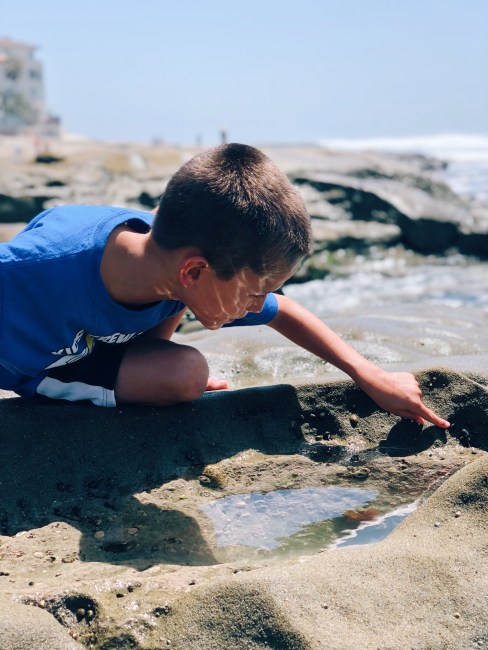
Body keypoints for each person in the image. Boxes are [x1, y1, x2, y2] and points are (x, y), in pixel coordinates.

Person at [0, 143, 449, 428]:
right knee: (185, 374)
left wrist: (369, 375)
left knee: (185, 376)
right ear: (193, 273)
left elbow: (285, 312)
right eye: (254, 292)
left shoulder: (175, 252)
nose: (260, 303)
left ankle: (145, 356)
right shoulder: (34, 269)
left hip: (102, 341)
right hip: (32, 367)